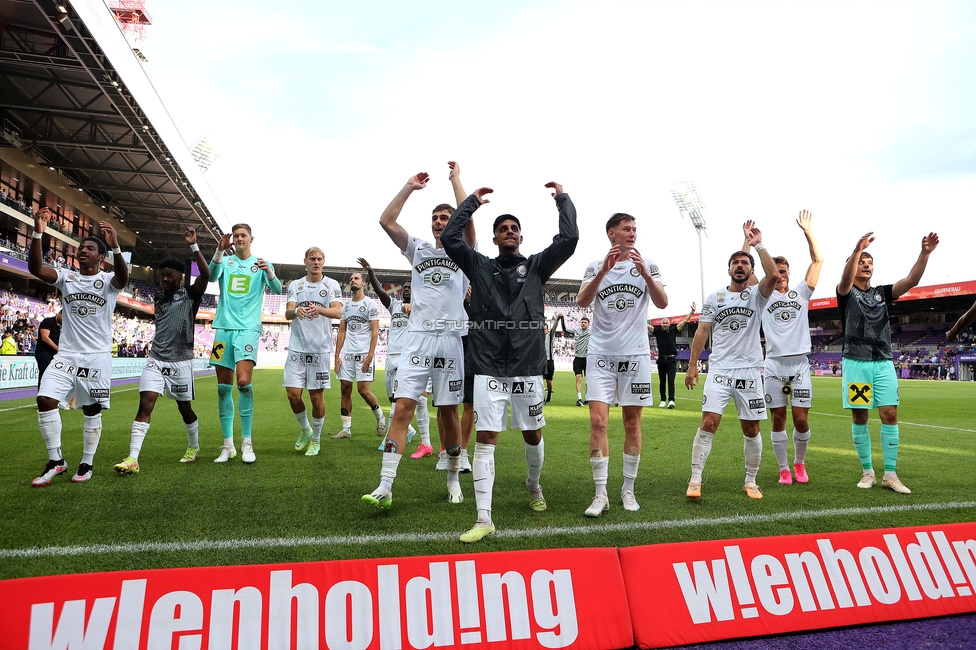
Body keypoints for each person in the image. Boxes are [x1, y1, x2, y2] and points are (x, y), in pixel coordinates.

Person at [442, 179, 578, 542]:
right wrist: (471, 202)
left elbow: (569, 241)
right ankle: (484, 517)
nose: (509, 232)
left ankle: (534, 486)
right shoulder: (479, 265)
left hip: (528, 368)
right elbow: (451, 240)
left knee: (532, 434)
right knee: (486, 438)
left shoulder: (536, 267)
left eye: (514, 229)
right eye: (502, 229)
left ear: (520, 237)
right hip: (488, 368)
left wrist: (562, 200)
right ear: (494, 238)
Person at [363, 162, 472, 509]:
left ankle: (453, 476)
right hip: (418, 339)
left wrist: (456, 180)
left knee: (449, 414)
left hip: (451, 340)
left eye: (446, 217)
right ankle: (385, 485)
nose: (440, 221)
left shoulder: (465, 253)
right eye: (436, 217)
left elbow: (468, 220)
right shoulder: (419, 249)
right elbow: (387, 222)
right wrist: (408, 187)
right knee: (403, 409)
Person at [27, 207, 128, 486]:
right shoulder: (66, 277)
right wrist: (38, 232)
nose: (82, 250)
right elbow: (35, 268)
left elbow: (123, 278)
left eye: (89, 248)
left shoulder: (108, 281)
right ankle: (56, 461)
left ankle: (87, 463)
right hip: (67, 354)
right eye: (81, 247)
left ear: (101, 257)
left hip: (96, 357)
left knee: (91, 410)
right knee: (45, 400)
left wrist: (117, 246)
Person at [577, 213, 668, 517]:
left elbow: (663, 302)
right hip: (601, 354)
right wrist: (604, 271)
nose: (632, 234)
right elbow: (581, 300)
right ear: (611, 233)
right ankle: (600, 494)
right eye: (626, 229)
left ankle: (628, 489)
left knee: (632, 423)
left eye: (634, 229)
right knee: (598, 422)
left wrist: (644, 273)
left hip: (636, 355)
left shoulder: (648, 264)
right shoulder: (594, 265)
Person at [837, 230, 939, 494]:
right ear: (852, 265)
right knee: (860, 417)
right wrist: (857, 248)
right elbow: (845, 279)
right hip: (855, 362)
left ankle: (890, 475)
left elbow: (912, 280)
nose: (867, 264)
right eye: (861, 261)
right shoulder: (845, 292)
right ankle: (868, 471)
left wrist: (925, 253)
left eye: (869, 261)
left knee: (890, 414)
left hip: (883, 361)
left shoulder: (882, 292)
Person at [684, 223, 777, 500]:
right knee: (709, 423)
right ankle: (695, 479)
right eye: (735, 263)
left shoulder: (757, 296)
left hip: (749, 371)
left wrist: (757, 245)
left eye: (745, 263)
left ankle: (751, 481)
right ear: (729, 270)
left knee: (751, 428)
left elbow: (772, 274)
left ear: (751, 270)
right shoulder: (715, 297)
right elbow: (702, 330)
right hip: (720, 370)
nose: (740, 266)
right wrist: (692, 365)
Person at [114, 227, 210, 473]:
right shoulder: (158, 298)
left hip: (181, 362)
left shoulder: (190, 294)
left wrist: (194, 246)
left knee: (183, 407)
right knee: (145, 404)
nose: (164, 279)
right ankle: (132, 458)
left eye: (169, 275)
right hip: (156, 360)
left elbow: (206, 275)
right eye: (161, 275)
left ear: (180, 276)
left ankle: (194, 445)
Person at [752, 211, 823, 485]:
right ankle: (784, 468)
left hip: (799, 366)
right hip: (775, 367)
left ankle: (799, 463)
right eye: (776, 271)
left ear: (790, 273)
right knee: (778, 418)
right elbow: (752, 273)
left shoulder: (802, 293)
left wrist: (807, 230)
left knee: (800, 419)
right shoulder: (763, 297)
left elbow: (818, 260)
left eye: (784, 271)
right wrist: (757, 245)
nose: (780, 274)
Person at [208, 223, 282, 464]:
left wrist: (269, 272)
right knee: (222, 388)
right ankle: (227, 445)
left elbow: (278, 289)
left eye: (243, 236)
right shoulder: (226, 262)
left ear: (251, 239)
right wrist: (219, 251)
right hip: (223, 330)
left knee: (243, 382)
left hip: (248, 329)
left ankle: (247, 442)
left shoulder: (261, 264)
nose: (239, 239)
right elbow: (211, 276)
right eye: (236, 236)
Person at [356, 260, 426, 452]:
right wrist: (370, 271)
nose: (406, 290)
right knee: (392, 399)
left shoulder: (421, 309)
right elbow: (379, 291)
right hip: (390, 357)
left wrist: (414, 310)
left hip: (406, 358)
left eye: (410, 288)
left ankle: (389, 438)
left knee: (397, 400)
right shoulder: (394, 305)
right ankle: (410, 430)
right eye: (404, 288)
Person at [284, 247, 343, 457]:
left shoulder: (331, 285)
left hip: (319, 350)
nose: (316, 262)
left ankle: (316, 440)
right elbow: (287, 313)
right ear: (305, 262)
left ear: (323, 262)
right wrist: (295, 311)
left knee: (316, 398)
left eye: (319, 259)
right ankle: (306, 429)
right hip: (297, 349)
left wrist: (319, 309)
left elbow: (338, 311)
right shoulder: (296, 285)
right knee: (292, 394)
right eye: (312, 259)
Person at [331, 271, 385, 439]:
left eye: (356, 278)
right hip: (347, 353)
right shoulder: (345, 306)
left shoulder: (371, 304)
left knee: (363, 391)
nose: (352, 280)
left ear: (363, 283)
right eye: (351, 279)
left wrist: (370, 355)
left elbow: (375, 332)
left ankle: (380, 418)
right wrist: (337, 355)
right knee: (344, 389)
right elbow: (342, 331)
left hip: (363, 353)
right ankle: (346, 429)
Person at [648, 303, 696, 409]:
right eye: (663, 323)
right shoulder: (657, 331)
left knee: (671, 380)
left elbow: (684, 321)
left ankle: (671, 400)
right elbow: (647, 326)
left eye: (666, 323)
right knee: (662, 381)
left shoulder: (674, 330)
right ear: (661, 324)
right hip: (661, 360)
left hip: (671, 360)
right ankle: (662, 400)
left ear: (669, 324)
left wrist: (692, 312)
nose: (665, 324)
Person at [562, 314, 590, 406]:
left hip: (587, 358)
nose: (583, 324)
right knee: (578, 378)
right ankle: (579, 399)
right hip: (578, 358)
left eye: (585, 322)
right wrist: (562, 319)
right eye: (582, 322)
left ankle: (588, 397)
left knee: (588, 380)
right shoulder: (576, 331)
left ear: (588, 324)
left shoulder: (591, 332)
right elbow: (565, 329)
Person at [34, 310, 62, 383]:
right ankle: (42, 393)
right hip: (44, 351)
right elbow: (45, 338)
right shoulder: (48, 321)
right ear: (59, 314)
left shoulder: (62, 325)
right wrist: (57, 348)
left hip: (55, 353)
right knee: (44, 374)